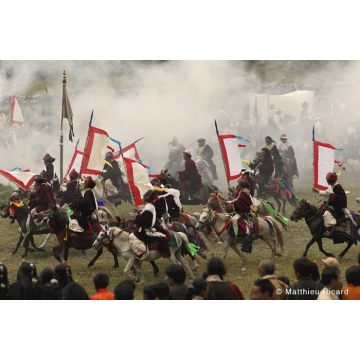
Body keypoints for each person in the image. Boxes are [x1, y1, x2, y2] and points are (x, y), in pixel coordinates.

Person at [131, 189, 171, 258]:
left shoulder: (156, 203)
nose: (142, 199)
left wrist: (165, 221)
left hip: (159, 220)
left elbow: (164, 213)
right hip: (155, 219)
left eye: (143, 198)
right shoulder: (154, 203)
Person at [313, 172, 354, 236]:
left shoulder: (338, 187)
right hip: (332, 205)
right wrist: (317, 191)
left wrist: (333, 196)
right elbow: (327, 193)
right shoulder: (332, 186)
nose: (327, 182)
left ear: (330, 181)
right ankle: (322, 227)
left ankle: (330, 231)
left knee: (327, 214)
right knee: (322, 208)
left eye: (327, 181)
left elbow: (342, 198)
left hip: (338, 207)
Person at [226, 177, 256, 252]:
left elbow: (240, 201)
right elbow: (239, 198)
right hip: (245, 209)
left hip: (245, 211)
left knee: (233, 219)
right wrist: (232, 200)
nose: (238, 185)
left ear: (242, 185)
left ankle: (238, 235)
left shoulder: (243, 192)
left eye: (239, 184)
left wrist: (232, 202)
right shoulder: (243, 191)